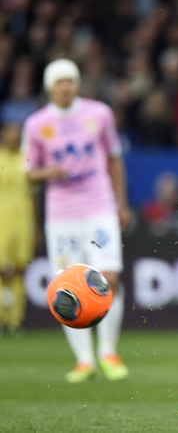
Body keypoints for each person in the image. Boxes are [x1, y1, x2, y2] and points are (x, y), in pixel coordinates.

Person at [22, 58, 131, 383]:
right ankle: (84, 360)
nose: (66, 86)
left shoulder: (98, 114)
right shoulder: (36, 124)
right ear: (50, 86)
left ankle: (108, 351)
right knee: (65, 286)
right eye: (60, 81)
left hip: (99, 206)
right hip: (62, 214)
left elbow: (114, 160)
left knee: (108, 276)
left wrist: (121, 203)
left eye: (70, 80)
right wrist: (47, 172)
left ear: (77, 83)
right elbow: (29, 173)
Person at [0, 123, 35, 335]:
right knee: (2, 271)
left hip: (24, 221)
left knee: (20, 270)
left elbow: (33, 193)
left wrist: (37, 225)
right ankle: (2, 318)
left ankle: (15, 320)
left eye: (16, 134)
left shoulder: (27, 158)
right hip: (1, 220)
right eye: (9, 133)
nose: (12, 137)